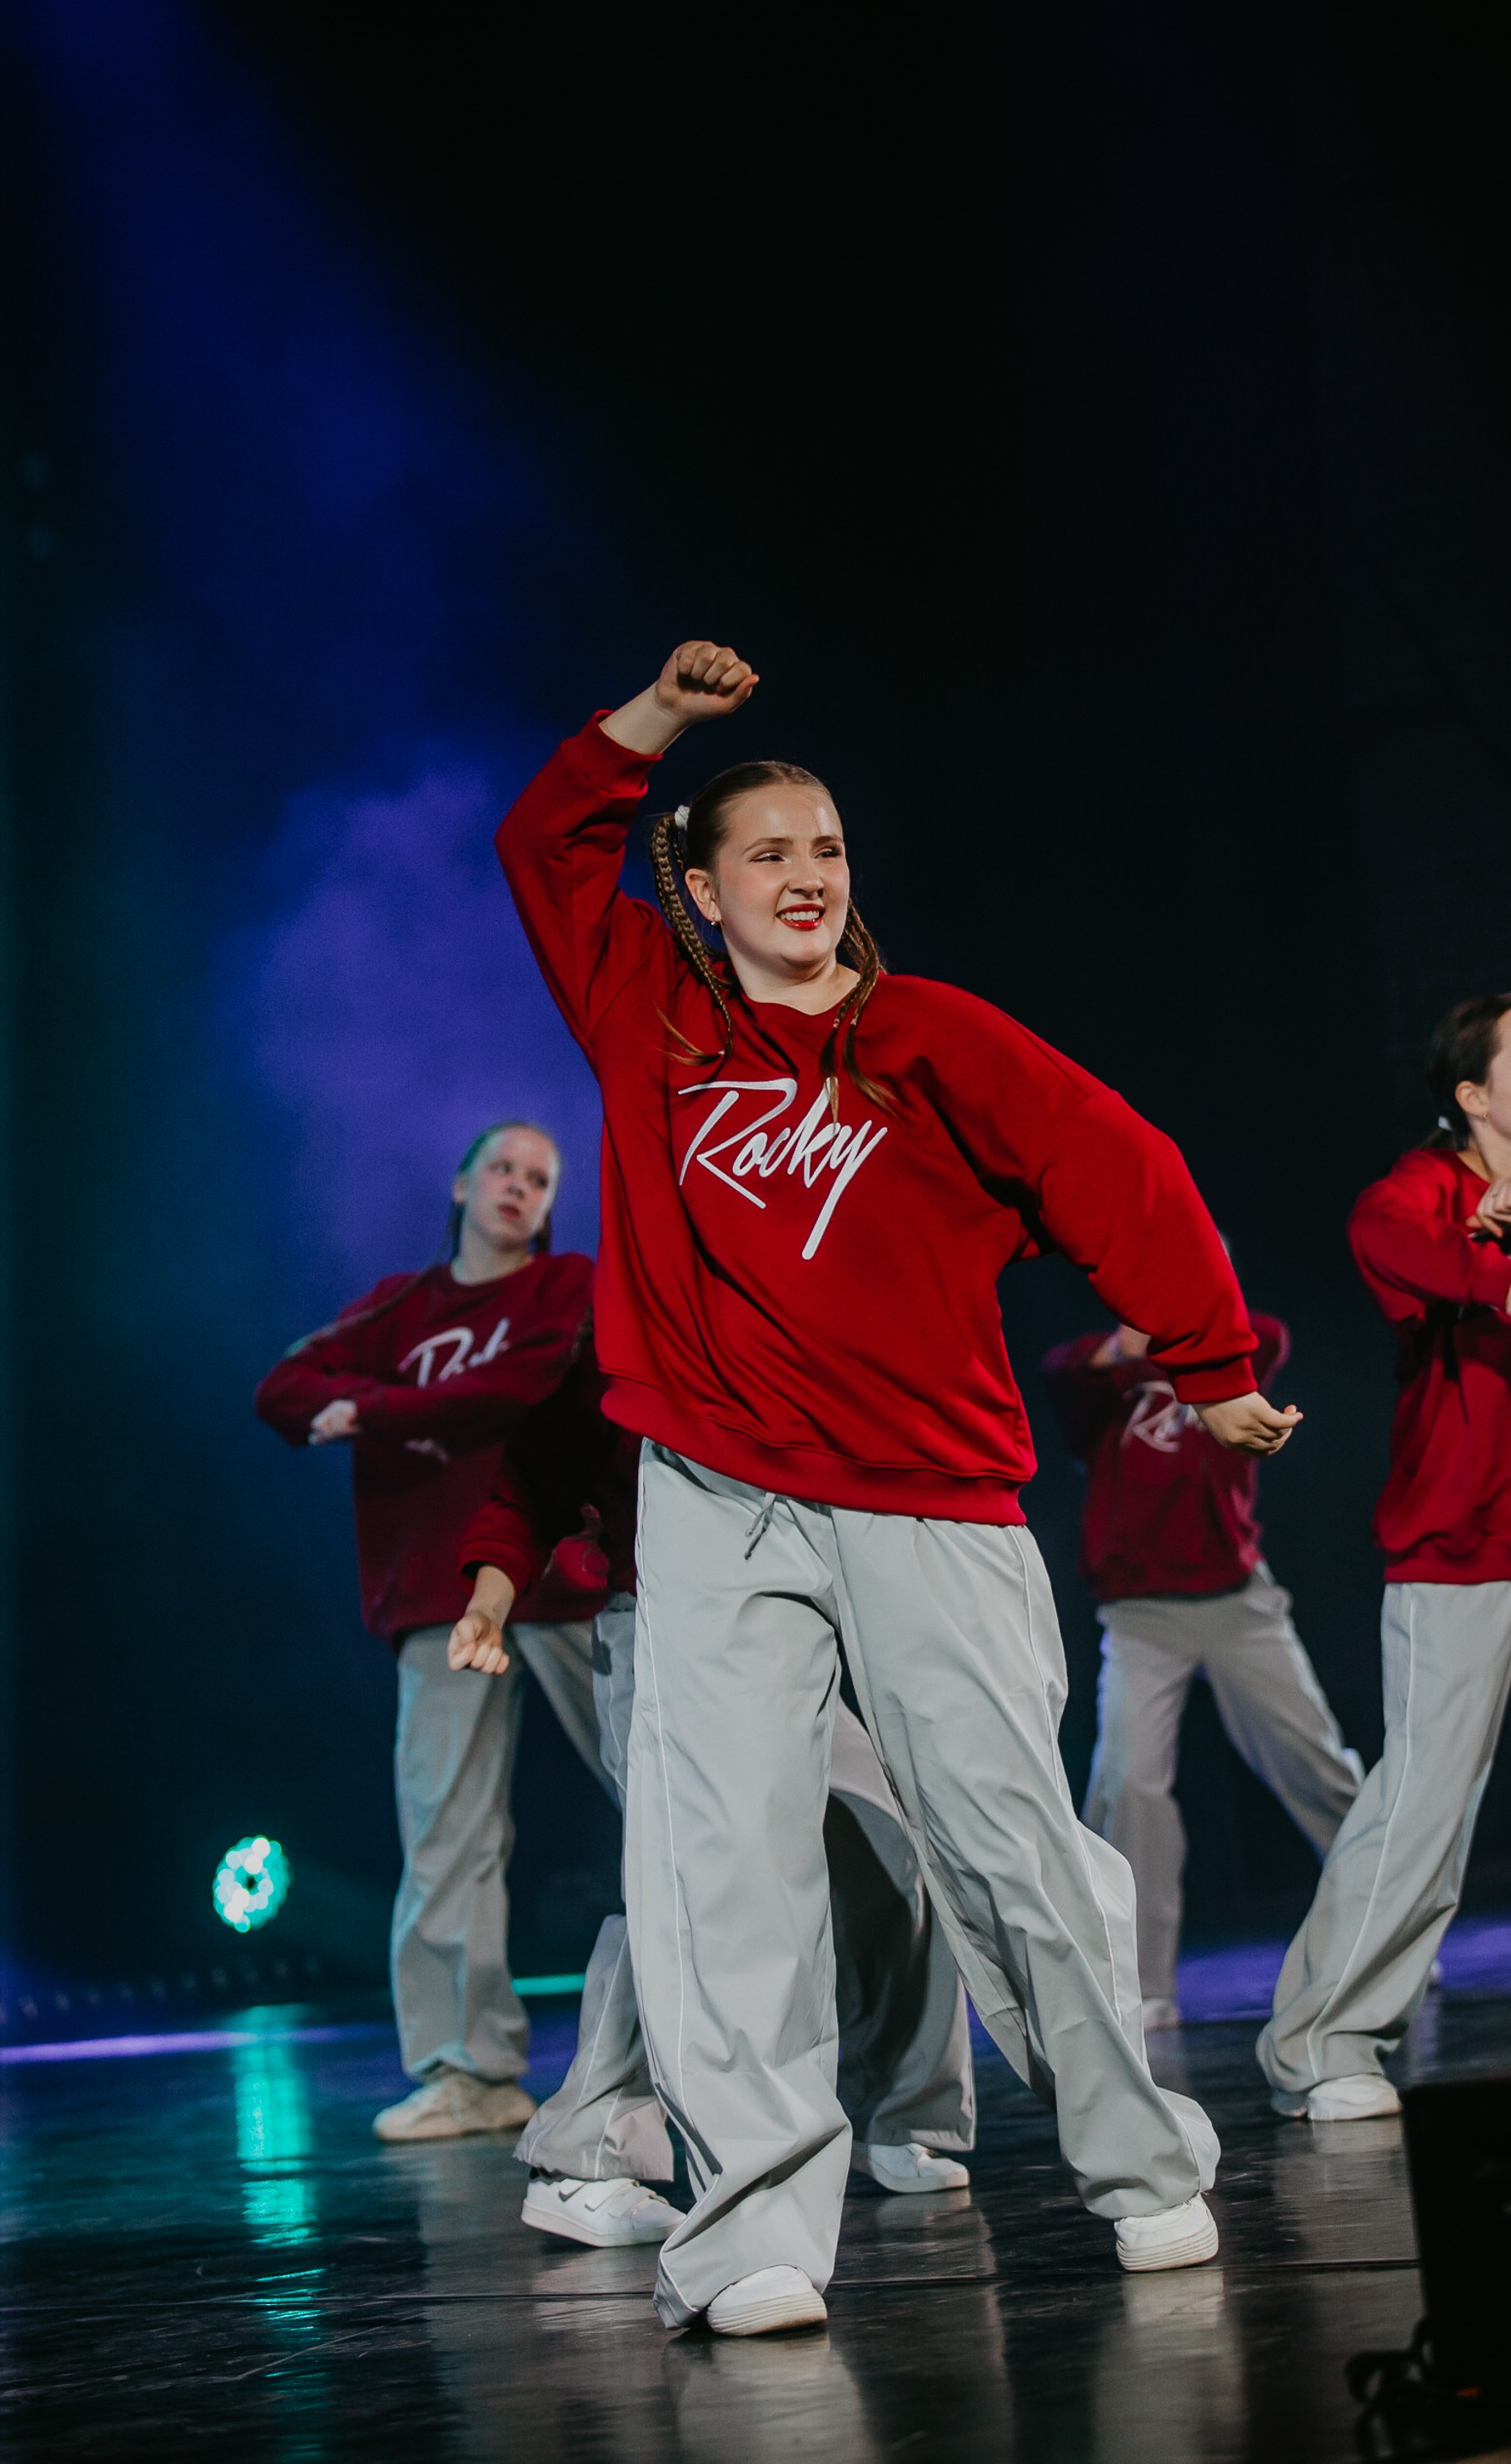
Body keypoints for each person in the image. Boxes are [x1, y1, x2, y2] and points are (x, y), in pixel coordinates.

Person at [478, 638, 1300, 2337]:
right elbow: (544, 840)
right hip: (716, 1490)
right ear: (701, 888)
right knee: (721, 1859)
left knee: (1008, 1840)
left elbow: (1124, 1170)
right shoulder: (650, 1016)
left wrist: (1211, 1362)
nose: (807, 874)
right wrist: (659, 719)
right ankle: (752, 2230)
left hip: (930, 1494)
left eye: (830, 847)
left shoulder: (930, 1036)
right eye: (769, 851)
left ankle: (1139, 2158)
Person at [449, 1367, 977, 2248]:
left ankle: (901, 2111)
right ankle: (585, 2152)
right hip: (659, 1627)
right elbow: (527, 1489)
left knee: (892, 1840)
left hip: (791, 1629)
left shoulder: (780, 1337)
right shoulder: (617, 1362)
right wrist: (487, 1604)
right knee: (687, 1883)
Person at [1258, 993, 1511, 2121]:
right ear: (1472, 1095)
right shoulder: (1422, 1195)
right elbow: (1384, 1236)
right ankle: (1319, 2044)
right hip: (1461, 1552)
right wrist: (1504, 1282)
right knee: (1421, 1804)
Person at [255, 1121, 608, 2143]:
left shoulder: (565, 1284)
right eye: (502, 1167)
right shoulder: (398, 1306)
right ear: (461, 1184)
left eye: (538, 1177)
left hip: (567, 1580)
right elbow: (282, 1390)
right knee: (445, 1833)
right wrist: (383, 1400)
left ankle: (771, 2026)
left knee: (678, 1794)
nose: (518, 1186)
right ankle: (469, 2068)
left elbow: (525, 1384)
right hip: (437, 1596)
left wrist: (372, 1410)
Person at [1043, 1309, 1360, 2030]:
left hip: (1237, 1603)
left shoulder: (1230, 1350)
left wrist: (1192, 1313)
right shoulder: (1109, 1376)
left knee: (1317, 1766)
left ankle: (1385, 1934)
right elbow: (1060, 1369)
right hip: (1141, 1615)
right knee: (1128, 1785)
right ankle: (1139, 1982)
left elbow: (1269, 1334)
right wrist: (1122, 1346)